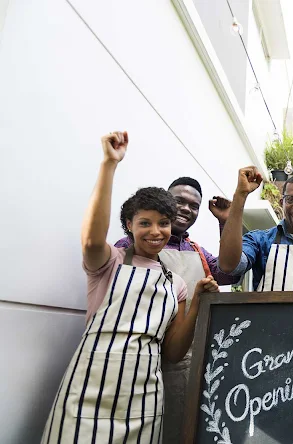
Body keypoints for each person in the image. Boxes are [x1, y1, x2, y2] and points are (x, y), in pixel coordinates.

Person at [41, 132, 218, 443]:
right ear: (129, 226)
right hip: (89, 385)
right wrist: (109, 164)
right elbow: (91, 240)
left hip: (145, 396)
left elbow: (174, 352)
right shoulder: (108, 262)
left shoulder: (175, 284)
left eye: (163, 223)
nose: (155, 231)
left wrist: (198, 302)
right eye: (144, 223)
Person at [114, 177, 239, 444]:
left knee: (173, 431)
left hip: (181, 364)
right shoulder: (126, 248)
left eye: (194, 206)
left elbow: (229, 273)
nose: (186, 209)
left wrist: (225, 222)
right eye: (179, 201)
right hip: (132, 359)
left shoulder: (198, 252)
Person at [218, 166, 293, 290]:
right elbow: (229, 266)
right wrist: (241, 194)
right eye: (290, 199)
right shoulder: (260, 240)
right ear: (282, 202)